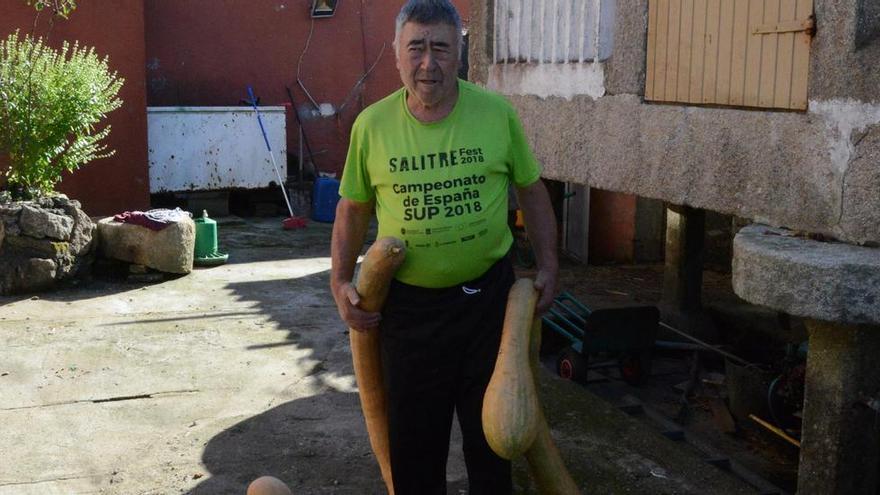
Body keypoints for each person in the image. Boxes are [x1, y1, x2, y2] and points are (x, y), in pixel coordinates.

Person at [330, 0, 558, 492]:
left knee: (493, 444)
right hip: (409, 313)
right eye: (416, 48)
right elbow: (352, 208)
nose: (428, 63)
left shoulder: (496, 114)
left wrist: (550, 264)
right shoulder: (372, 126)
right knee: (414, 448)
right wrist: (340, 280)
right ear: (396, 54)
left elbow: (531, 190)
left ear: (460, 51)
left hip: (487, 306)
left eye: (441, 48)